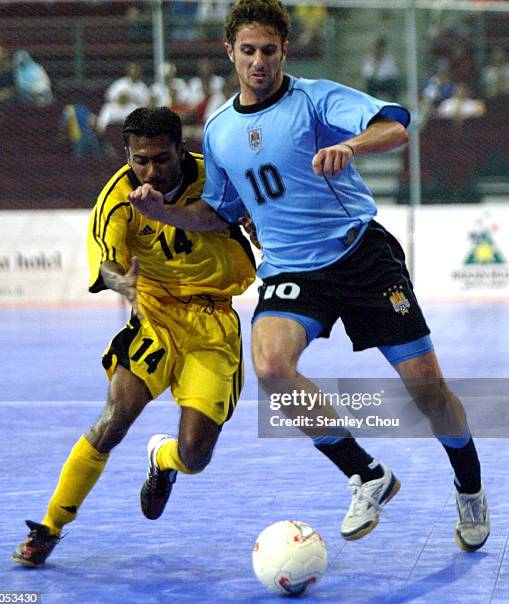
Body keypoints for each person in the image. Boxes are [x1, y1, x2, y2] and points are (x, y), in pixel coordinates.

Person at [129, 0, 490, 552]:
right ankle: (366, 472)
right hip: (291, 268)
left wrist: (348, 145)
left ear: (284, 51)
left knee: (428, 393)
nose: (258, 62)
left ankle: (469, 487)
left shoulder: (315, 99)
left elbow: (394, 127)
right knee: (272, 367)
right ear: (230, 52)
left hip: (359, 255)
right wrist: (163, 214)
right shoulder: (221, 130)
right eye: (247, 51)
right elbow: (219, 213)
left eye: (268, 51)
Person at [12, 107, 256, 567]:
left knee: (195, 454)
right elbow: (107, 258)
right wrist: (119, 280)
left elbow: (261, 227)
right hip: (156, 316)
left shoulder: (219, 179)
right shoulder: (118, 198)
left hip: (213, 323)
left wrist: (258, 227)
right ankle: (49, 527)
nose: (150, 170)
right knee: (114, 416)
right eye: (140, 159)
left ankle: (162, 460)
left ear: (181, 151)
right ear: (128, 154)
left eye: (161, 159)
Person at [361, 36, 400, 101]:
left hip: (386, 82)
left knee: (394, 85)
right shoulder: (369, 59)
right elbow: (367, 74)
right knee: (369, 84)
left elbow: (393, 73)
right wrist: (375, 64)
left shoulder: (389, 59)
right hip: (374, 83)